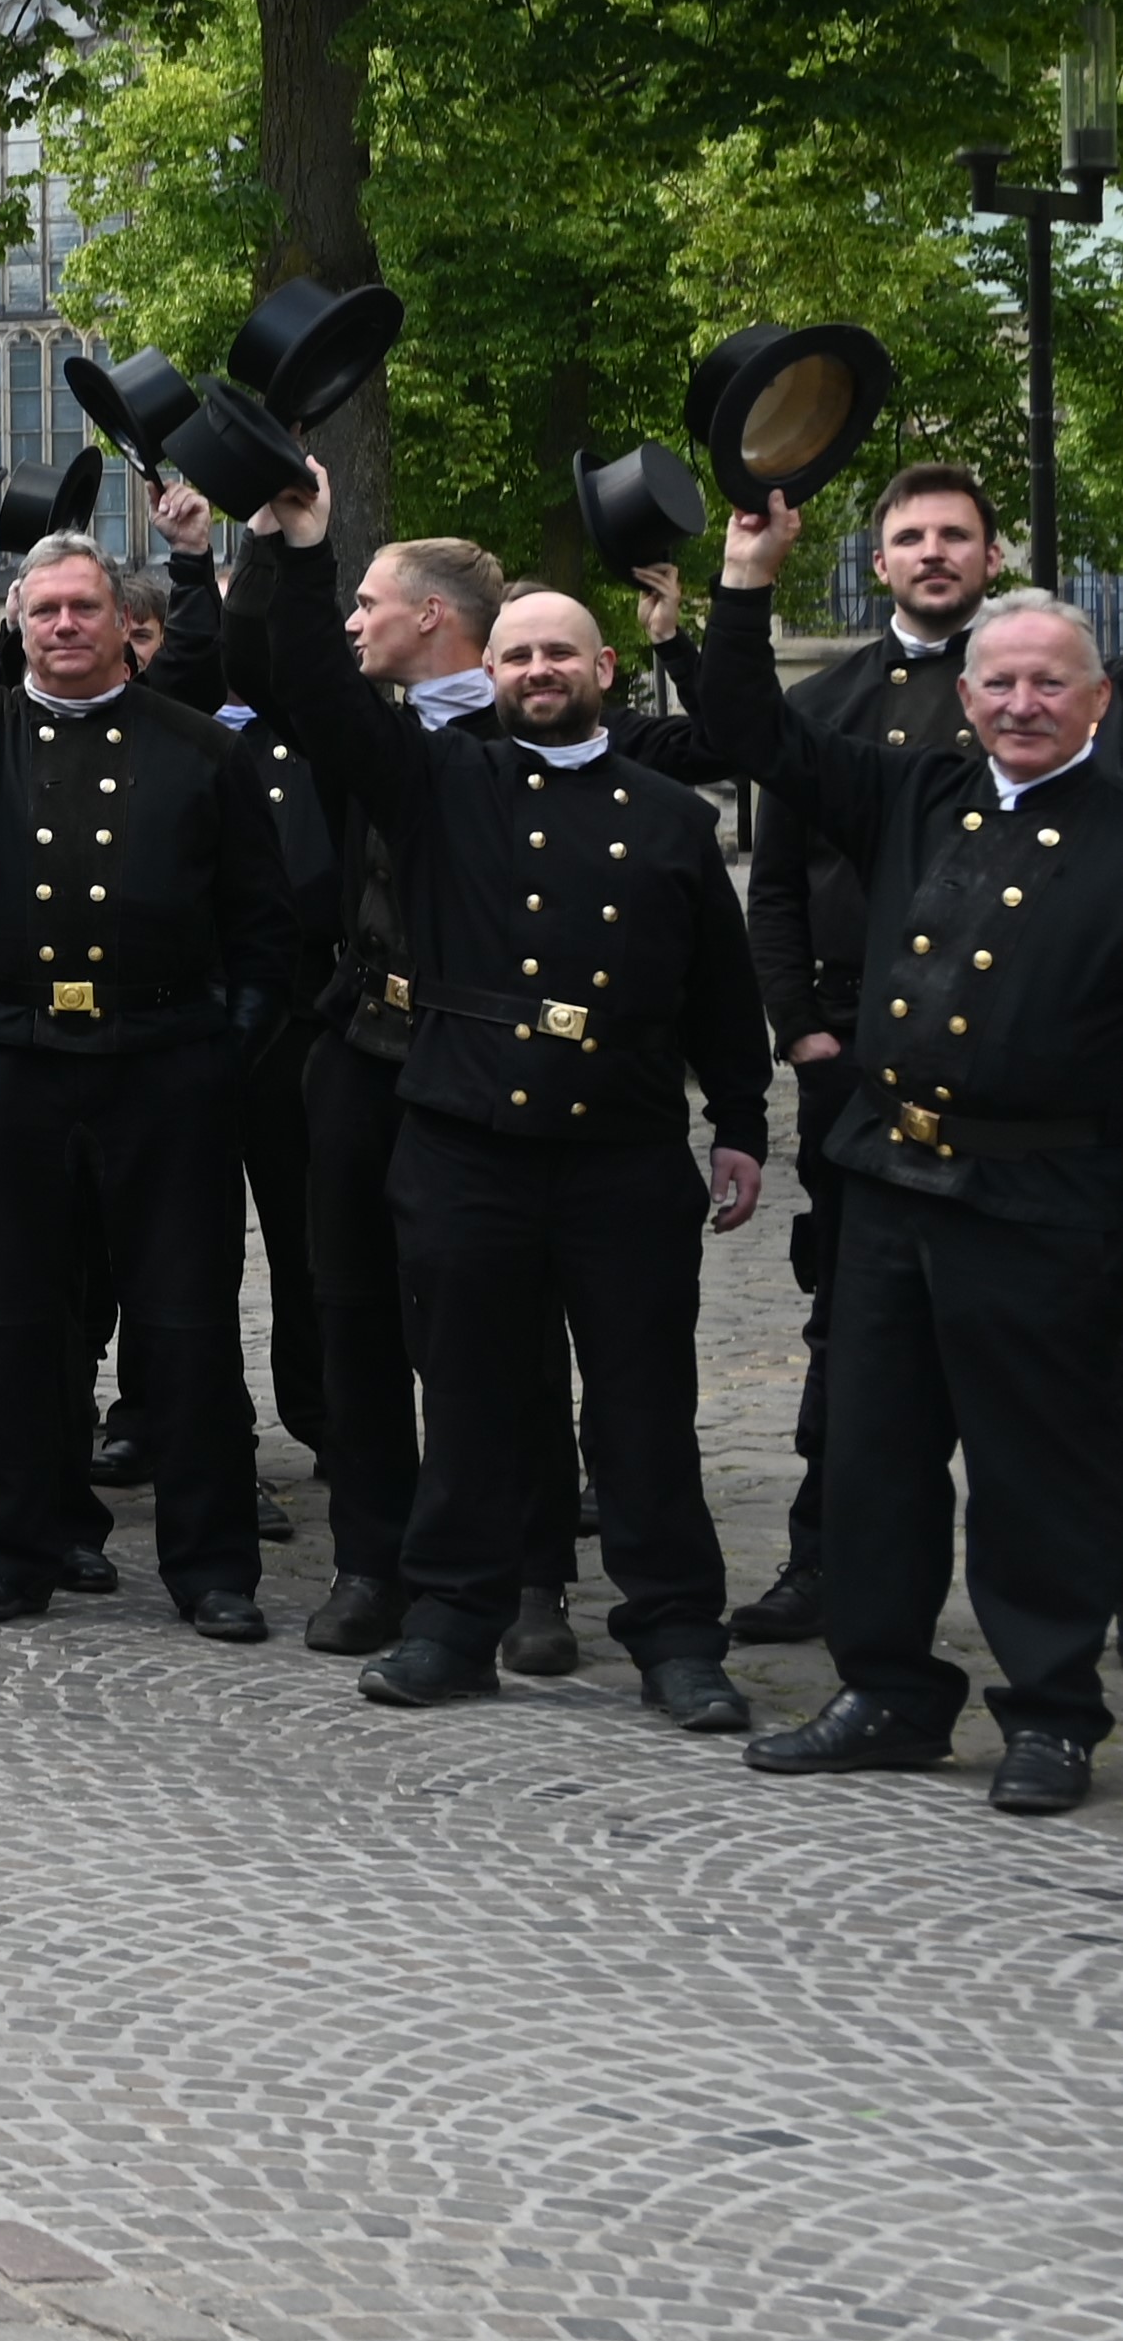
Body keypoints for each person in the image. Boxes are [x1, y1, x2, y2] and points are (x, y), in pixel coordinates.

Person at [235, 470, 763, 1729]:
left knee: (642, 1410)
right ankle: (453, 1622)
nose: (536, 670)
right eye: (517, 651)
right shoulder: (438, 784)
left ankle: (674, 1637)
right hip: (464, 1137)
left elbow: (716, 992)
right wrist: (302, 544)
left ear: (601, 671)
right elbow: (313, 692)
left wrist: (738, 1124)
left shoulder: (666, 816)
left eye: (558, 653)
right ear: (490, 664)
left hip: (622, 1149)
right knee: (467, 1397)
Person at [683, 501, 1116, 1815]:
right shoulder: (912, 790)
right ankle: (884, 1689)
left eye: (1050, 683)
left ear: (1095, 702)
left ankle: (1047, 1712)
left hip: (1039, 1194)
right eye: (1000, 682)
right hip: (886, 1184)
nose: (1020, 703)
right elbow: (748, 735)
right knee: (872, 1453)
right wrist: (744, 584)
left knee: (1035, 1463)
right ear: (966, 696)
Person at [0, 530, 304, 1633]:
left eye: (82, 609)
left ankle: (211, 1568)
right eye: (41, 613)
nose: (63, 628)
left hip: (163, 1064)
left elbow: (259, 929)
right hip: (7, 1063)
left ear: (119, 623)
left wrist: (216, 1053)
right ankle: (8, 1554)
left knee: (184, 1326)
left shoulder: (199, 748)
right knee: (3, 1324)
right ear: (15, 625)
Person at [734, 461, 1010, 1646]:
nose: (933, 552)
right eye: (910, 537)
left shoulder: (1033, 686)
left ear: (988, 557)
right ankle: (822, 1559)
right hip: (858, 1058)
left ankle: (1054, 1581)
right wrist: (800, 1031)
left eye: (955, 535)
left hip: (1017, 1079)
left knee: (1035, 1335)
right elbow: (777, 885)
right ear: (881, 559)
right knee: (850, 1328)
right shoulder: (828, 703)